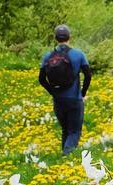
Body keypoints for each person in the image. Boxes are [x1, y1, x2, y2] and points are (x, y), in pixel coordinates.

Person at [39, 24, 92, 154]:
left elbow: (41, 79)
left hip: (59, 99)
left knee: (65, 130)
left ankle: (64, 160)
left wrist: (53, 92)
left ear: (55, 38)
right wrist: (82, 93)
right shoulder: (78, 55)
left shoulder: (48, 56)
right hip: (74, 98)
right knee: (74, 131)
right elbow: (88, 75)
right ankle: (66, 155)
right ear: (70, 37)